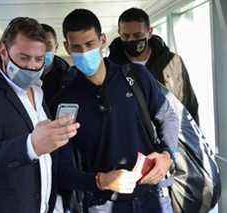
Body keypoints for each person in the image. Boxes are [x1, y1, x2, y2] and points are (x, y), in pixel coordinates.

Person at [52, 9, 179, 213]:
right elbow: (62, 170)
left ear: (102, 40)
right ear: (67, 47)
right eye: (76, 47)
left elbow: (168, 117)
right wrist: (100, 181)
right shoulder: (64, 102)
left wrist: (167, 155)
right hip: (102, 203)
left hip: (152, 196)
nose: (84, 53)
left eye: (90, 44)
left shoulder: (136, 76)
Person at [0, 17, 80, 213]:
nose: (31, 66)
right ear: (4, 52)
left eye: (39, 60)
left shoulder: (38, 92)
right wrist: (30, 146)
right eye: (23, 57)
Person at [108, 7, 199, 124]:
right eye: (125, 36)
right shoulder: (111, 68)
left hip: (170, 136)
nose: (131, 40)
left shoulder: (172, 63)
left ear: (149, 32)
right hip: (131, 138)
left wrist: (193, 140)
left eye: (137, 35)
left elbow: (189, 105)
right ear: (119, 34)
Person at [41, 23, 74, 108]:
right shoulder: (24, 74)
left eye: (48, 45)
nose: (43, 51)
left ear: (56, 47)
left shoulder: (68, 76)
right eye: (39, 45)